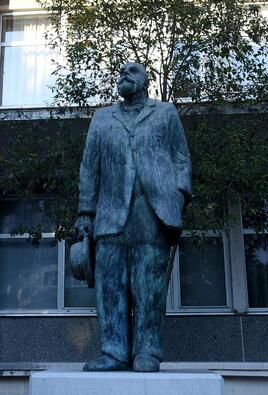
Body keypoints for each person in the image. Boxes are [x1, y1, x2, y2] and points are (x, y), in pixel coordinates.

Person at [75, 61, 192, 372]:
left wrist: (179, 197)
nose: (124, 74)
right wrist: (85, 211)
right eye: (121, 71)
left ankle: (147, 352)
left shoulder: (165, 113)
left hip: (154, 214)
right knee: (109, 286)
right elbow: (89, 168)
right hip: (111, 214)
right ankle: (113, 352)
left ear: (145, 81)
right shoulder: (102, 119)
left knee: (149, 288)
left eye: (132, 71)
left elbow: (181, 157)